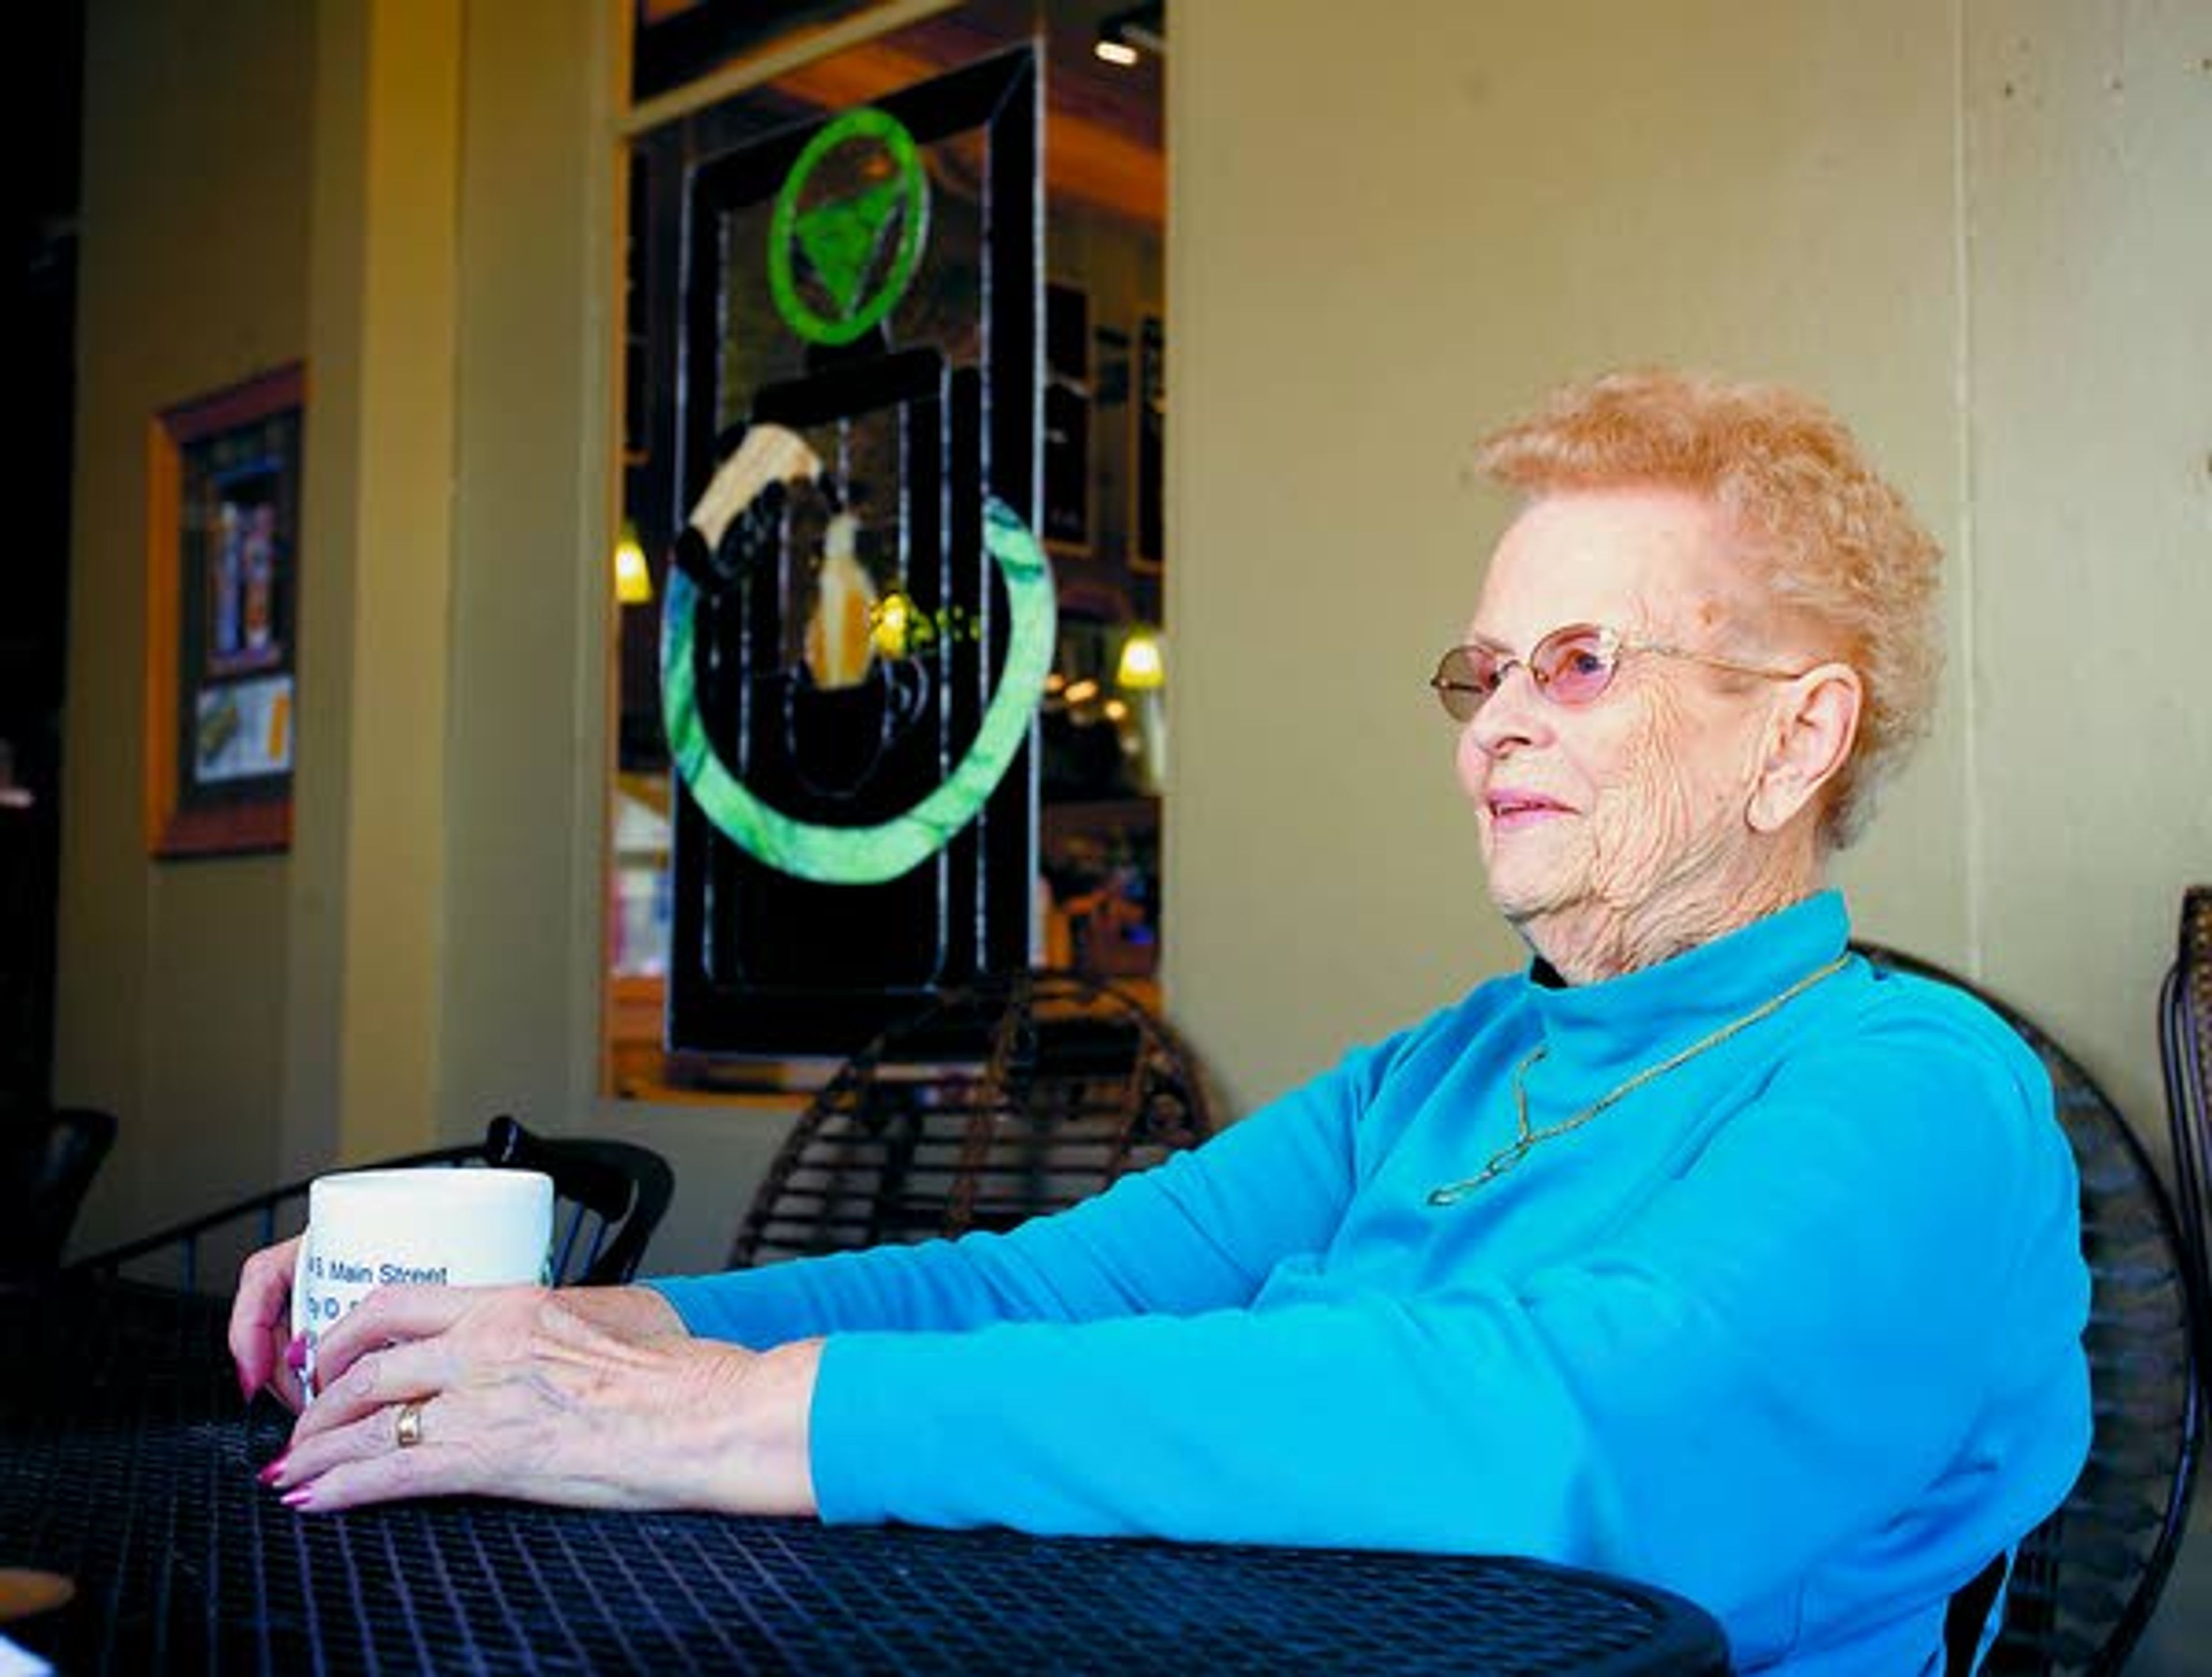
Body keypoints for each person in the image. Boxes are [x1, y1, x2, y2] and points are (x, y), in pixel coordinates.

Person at [231, 369, 2090, 1675]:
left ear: (1800, 734)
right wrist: (575, 1332)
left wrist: (715, 1421)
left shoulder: (1920, 1093)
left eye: (1581, 664)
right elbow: (1042, 1289)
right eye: (1481, 671)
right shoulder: (1443, 1072)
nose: (1489, 726)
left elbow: (1569, 1442)